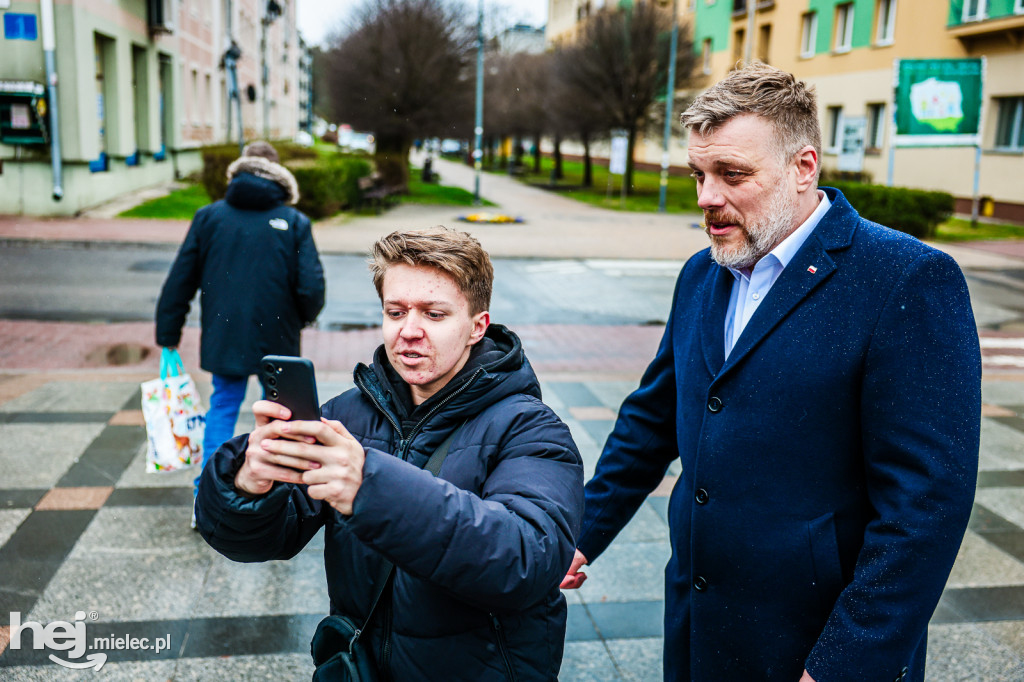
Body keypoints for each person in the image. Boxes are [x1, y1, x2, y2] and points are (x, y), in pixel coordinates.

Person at [561, 63, 981, 682]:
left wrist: (846, 661)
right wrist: (581, 532)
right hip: (700, 629)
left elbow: (927, 505)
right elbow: (651, 422)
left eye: (732, 174)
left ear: (803, 167)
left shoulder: (906, 279)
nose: (706, 196)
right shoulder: (701, 273)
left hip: (815, 644)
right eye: (699, 174)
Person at [195, 226, 584, 681]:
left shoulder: (531, 428)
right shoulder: (346, 415)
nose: (409, 332)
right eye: (395, 312)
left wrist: (369, 485)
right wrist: (247, 485)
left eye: (434, 315)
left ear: (477, 326)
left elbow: (527, 561)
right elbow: (255, 540)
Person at [155, 141, 325, 503]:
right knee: (280, 417)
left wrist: (168, 332)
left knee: (223, 406)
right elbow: (310, 285)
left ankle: (208, 498)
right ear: (279, 175)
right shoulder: (294, 221)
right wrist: (304, 316)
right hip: (279, 335)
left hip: (224, 332)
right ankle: (277, 495)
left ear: (239, 170)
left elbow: (181, 278)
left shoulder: (209, 217)